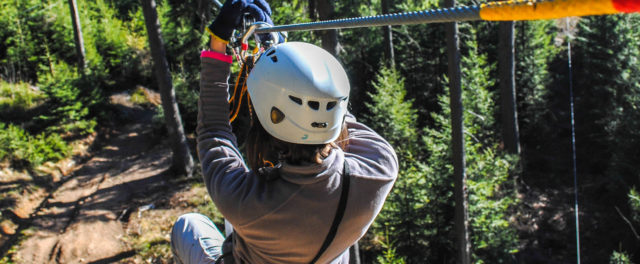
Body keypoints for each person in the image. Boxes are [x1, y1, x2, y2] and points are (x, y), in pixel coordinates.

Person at [170, 0, 398, 263]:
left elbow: (213, 132)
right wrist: (274, 55)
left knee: (187, 225)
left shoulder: (246, 201)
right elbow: (334, 113)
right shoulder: (380, 166)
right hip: (325, 252)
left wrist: (218, 46)